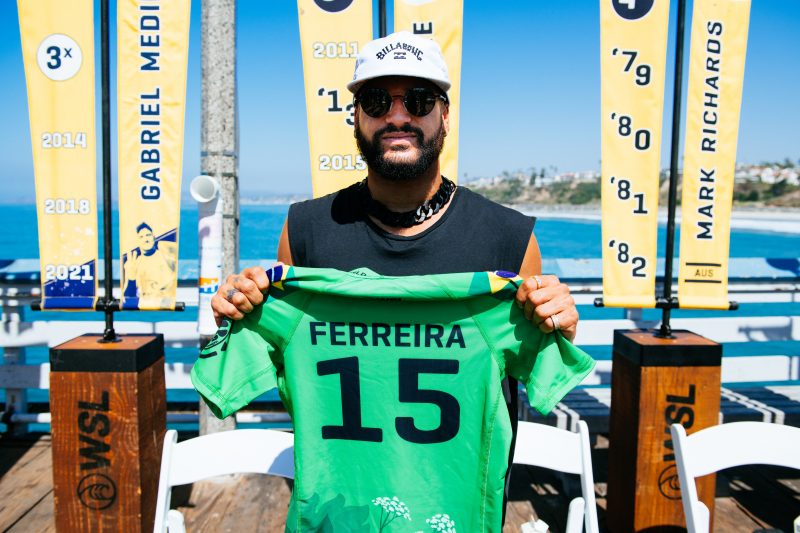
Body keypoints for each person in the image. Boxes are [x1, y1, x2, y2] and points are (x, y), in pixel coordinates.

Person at [209, 30, 580, 524]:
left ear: (444, 116)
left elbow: (534, 366)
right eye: (378, 100)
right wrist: (241, 309)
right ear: (357, 117)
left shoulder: (508, 238)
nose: (398, 116)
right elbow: (283, 364)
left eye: (419, 100)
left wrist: (559, 324)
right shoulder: (306, 230)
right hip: (337, 515)